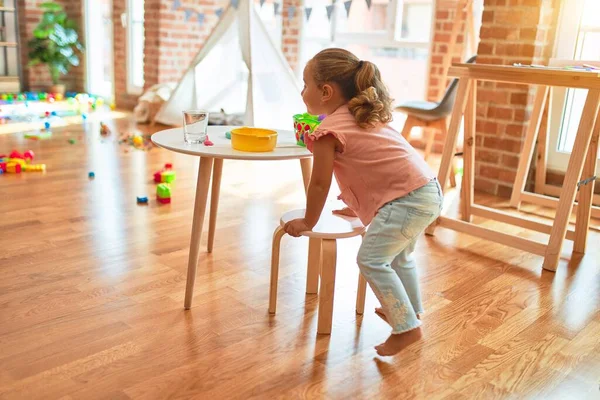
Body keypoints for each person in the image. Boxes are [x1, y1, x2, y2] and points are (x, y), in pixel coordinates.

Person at [283, 48, 443, 356]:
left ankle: (406, 327)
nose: (302, 92)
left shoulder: (329, 130)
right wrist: (358, 206)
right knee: (399, 258)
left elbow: (319, 182)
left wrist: (308, 221)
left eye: (305, 84)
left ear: (326, 91)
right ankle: (409, 311)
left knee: (370, 259)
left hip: (406, 200)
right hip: (426, 192)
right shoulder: (362, 116)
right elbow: (373, 169)